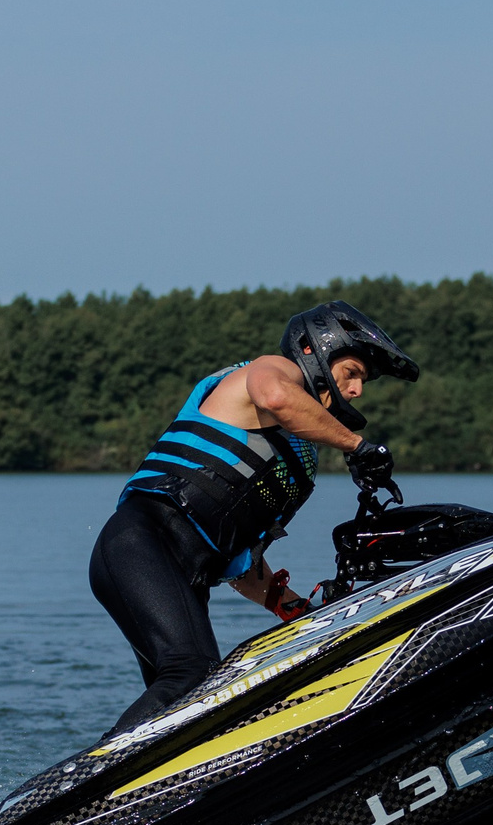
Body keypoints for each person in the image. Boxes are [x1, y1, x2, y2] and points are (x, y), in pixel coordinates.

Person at [91, 301, 419, 736]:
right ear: (314, 349)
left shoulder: (298, 458)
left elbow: (244, 567)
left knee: (185, 712)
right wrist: (358, 448)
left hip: (180, 573)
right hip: (142, 540)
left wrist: (300, 610)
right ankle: (81, 790)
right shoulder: (271, 371)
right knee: (192, 674)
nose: (357, 390)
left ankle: (143, 795)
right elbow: (277, 397)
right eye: (353, 372)